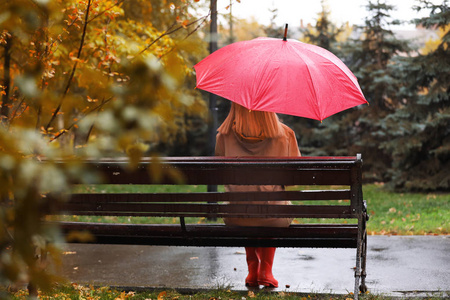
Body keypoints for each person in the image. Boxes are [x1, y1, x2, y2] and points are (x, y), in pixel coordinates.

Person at [215, 103, 301, 288]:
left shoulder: (223, 135)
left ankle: (253, 269)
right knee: (272, 207)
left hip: (235, 216)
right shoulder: (285, 135)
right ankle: (266, 271)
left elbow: (221, 174)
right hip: (273, 217)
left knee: (244, 203)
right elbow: (293, 179)